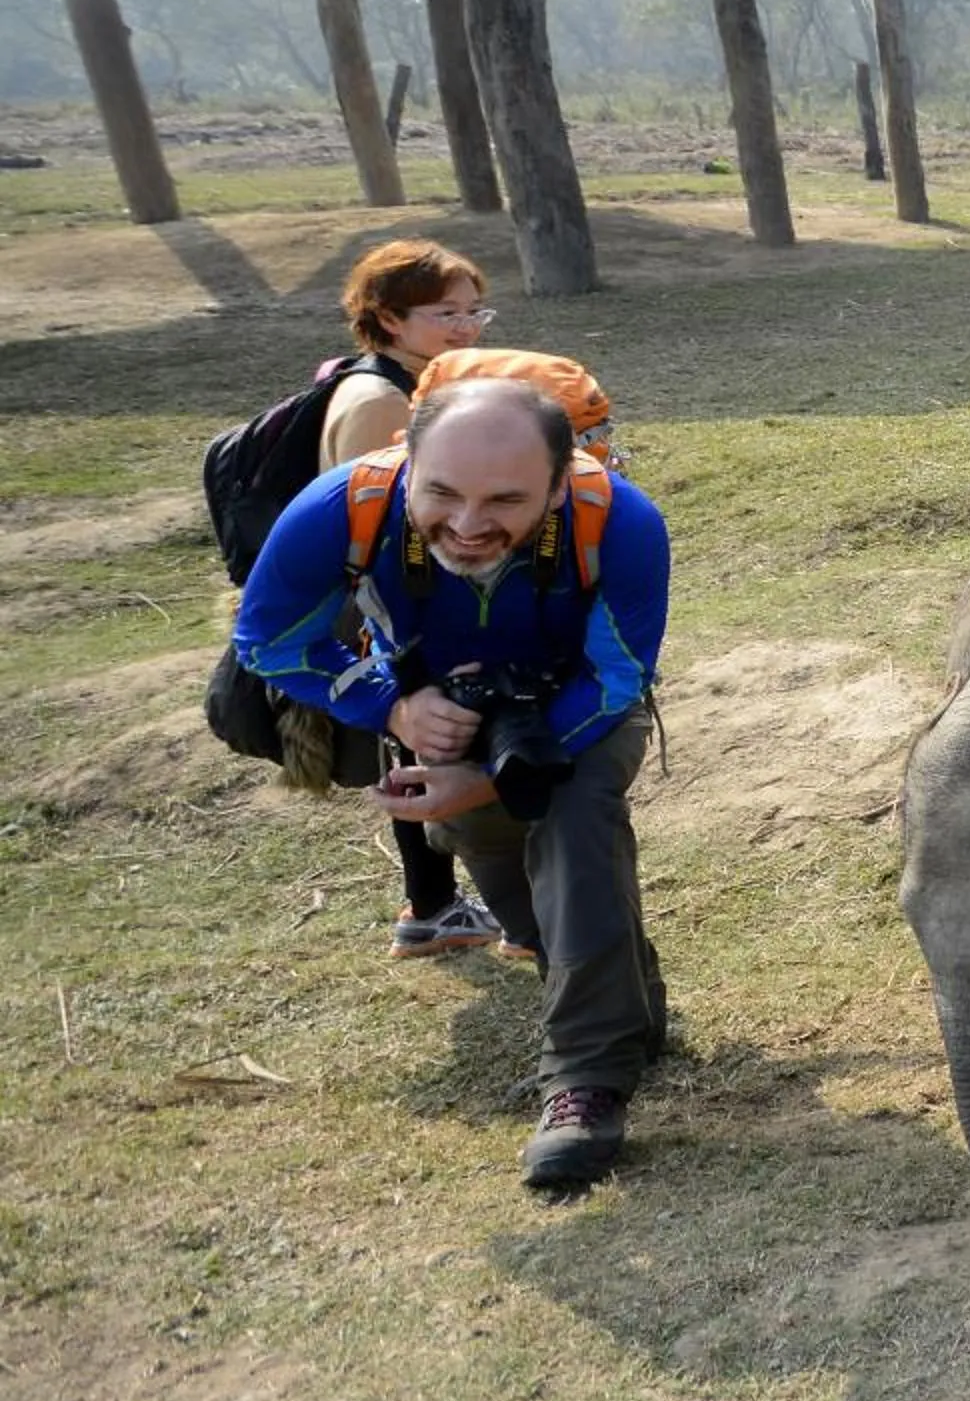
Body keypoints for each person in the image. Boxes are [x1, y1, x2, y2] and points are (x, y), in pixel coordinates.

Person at [236, 379, 674, 1187]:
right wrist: (392, 707)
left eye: (506, 500)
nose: (469, 525)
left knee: (574, 828)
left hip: (578, 708)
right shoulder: (340, 510)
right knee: (499, 863)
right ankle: (625, 1000)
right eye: (440, 493)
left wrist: (493, 772)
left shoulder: (619, 521)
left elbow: (618, 677)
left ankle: (585, 1079)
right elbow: (267, 639)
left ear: (559, 481)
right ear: (408, 458)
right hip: (443, 713)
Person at [322, 239, 514, 960]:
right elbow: (385, 519)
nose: (467, 327)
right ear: (388, 318)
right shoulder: (380, 400)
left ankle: (435, 905)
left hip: (414, 599)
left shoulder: (407, 383)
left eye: (474, 311)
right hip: (404, 604)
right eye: (446, 313)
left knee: (421, 743)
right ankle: (455, 907)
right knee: (431, 743)